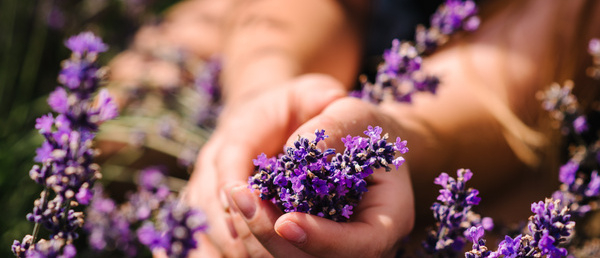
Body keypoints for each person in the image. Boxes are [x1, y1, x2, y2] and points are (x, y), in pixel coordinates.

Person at [109, 0, 600, 256]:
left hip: (509, 84)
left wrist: (395, 135)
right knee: (128, 103)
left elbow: (509, 81)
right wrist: (267, 89)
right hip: (355, 33)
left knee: (509, 218)